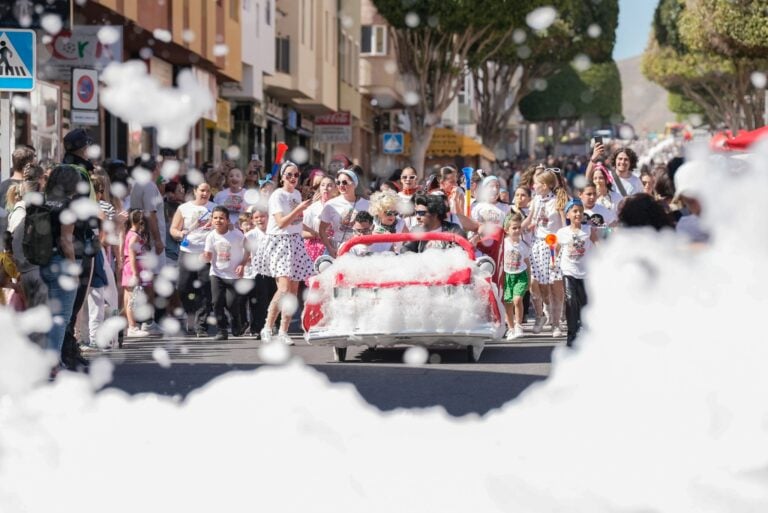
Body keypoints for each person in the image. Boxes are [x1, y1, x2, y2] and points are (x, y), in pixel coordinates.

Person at [257, 161, 314, 345]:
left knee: (293, 291)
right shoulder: (277, 195)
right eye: (289, 174)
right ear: (282, 177)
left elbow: (296, 222)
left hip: (295, 241)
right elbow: (281, 222)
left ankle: (283, 331)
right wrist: (299, 208)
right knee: (283, 289)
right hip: (279, 242)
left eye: (296, 175)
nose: (292, 178)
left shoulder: (297, 194)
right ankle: (267, 327)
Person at [39, 165, 86, 368]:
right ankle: (52, 364)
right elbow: (66, 241)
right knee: (61, 317)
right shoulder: (67, 206)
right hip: (61, 263)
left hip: (40, 262)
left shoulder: (41, 201)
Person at [522, 168, 569, 337]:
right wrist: (519, 228)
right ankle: (542, 314)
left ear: (545, 185)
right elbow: (530, 219)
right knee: (538, 284)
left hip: (553, 245)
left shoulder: (558, 201)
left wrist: (562, 243)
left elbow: (564, 225)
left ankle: (556, 324)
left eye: (537, 183)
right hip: (537, 245)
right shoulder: (535, 201)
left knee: (555, 284)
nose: (533, 186)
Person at [7, 163, 48, 348]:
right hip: (36, 269)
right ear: (40, 181)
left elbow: (12, 241)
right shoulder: (38, 207)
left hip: (23, 269)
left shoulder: (18, 208)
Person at [169, 181, 215, 337]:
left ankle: (201, 325)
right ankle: (190, 313)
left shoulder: (214, 208)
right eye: (202, 190)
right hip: (187, 251)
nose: (205, 193)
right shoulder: (184, 208)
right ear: (195, 191)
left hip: (206, 253)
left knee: (206, 288)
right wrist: (179, 234)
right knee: (182, 287)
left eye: (207, 191)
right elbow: (173, 229)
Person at [129, 155, 165, 334]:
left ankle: (142, 320)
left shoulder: (138, 184)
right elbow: (150, 214)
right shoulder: (149, 185)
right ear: (154, 169)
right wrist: (157, 239)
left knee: (145, 280)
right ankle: (148, 321)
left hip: (142, 237)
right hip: (149, 239)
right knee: (150, 280)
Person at [202, 206, 248, 341]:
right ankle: (222, 330)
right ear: (211, 220)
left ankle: (237, 322)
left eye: (221, 218)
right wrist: (205, 257)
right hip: (216, 273)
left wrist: (242, 264)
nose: (218, 221)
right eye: (215, 218)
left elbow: (248, 249)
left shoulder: (237, 235)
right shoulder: (211, 236)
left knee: (231, 303)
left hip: (233, 274)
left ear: (228, 220)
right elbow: (208, 255)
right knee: (216, 302)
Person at [555, 199, 597, 346]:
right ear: (568, 215)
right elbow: (557, 248)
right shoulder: (562, 232)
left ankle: (586, 333)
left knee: (585, 304)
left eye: (580, 211)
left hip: (585, 273)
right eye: (574, 211)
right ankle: (571, 335)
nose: (578, 213)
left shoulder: (588, 230)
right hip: (569, 271)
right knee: (571, 301)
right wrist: (554, 262)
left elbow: (597, 244)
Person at [319, 167, 370, 257]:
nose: (341, 185)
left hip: (359, 248)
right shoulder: (331, 205)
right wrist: (330, 248)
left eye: (345, 182)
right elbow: (322, 229)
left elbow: (373, 227)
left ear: (354, 184)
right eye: (338, 182)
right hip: (337, 249)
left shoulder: (367, 204)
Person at [243, 207, 276, 338]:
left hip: (274, 270)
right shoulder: (250, 235)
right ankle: (258, 327)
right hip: (258, 271)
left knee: (273, 298)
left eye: (262, 216)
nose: (259, 220)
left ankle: (274, 324)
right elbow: (245, 254)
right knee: (259, 301)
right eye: (256, 217)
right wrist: (242, 264)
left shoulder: (275, 232)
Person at [400, 193, 465, 253]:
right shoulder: (416, 230)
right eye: (416, 213)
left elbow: (460, 252)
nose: (417, 217)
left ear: (434, 214)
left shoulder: (453, 230)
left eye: (421, 213)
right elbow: (405, 249)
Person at [501, 212, 530, 340]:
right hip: (507, 276)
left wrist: (528, 279)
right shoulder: (503, 244)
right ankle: (511, 328)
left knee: (517, 300)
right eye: (514, 228)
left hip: (520, 275)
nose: (517, 230)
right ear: (507, 230)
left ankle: (518, 325)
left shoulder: (524, 245)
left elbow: (527, 263)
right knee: (508, 303)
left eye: (519, 227)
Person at [302, 175, 335, 263]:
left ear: (336, 189)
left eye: (329, 185)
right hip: (315, 250)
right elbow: (301, 231)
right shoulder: (312, 208)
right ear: (319, 188)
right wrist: (317, 234)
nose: (326, 188)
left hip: (335, 247)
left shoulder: (340, 206)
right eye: (323, 185)